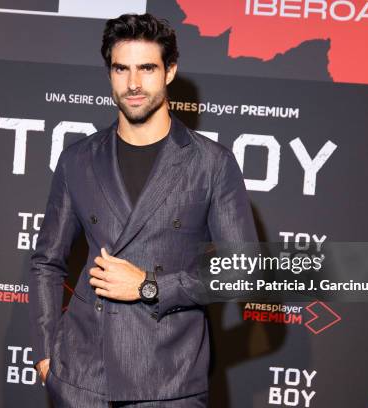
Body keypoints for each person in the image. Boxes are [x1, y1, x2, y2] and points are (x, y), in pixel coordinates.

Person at [29, 13, 258, 407]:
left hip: (169, 382)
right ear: (110, 74)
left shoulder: (210, 163)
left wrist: (149, 287)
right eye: (122, 69)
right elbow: (47, 263)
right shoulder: (78, 159)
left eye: (147, 68)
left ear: (170, 71)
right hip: (82, 378)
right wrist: (48, 354)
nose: (134, 84)